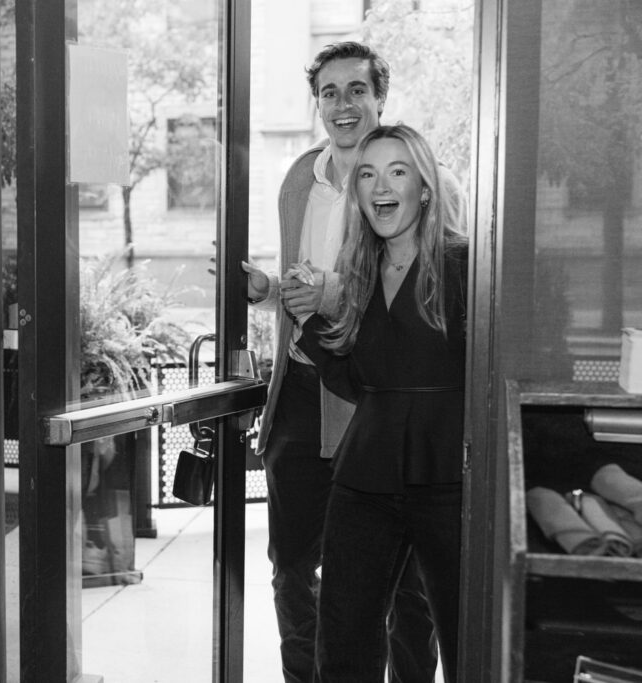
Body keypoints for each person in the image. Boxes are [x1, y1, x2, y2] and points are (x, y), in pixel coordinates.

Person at [244, 42, 464, 683]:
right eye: (329, 93)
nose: (343, 104)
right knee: (297, 566)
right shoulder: (298, 182)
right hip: (311, 382)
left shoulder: (438, 205)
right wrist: (279, 298)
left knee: (410, 589)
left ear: (379, 98)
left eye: (356, 90)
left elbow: (420, 313)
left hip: (392, 406)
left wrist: (333, 299)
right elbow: (321, 299)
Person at [297, 124, 469, 682]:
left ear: (425, 187)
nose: (380, 186)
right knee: (343, 637)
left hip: (450, 477)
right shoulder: (359, 272)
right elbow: (356, 380)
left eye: (398, 171)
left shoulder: (468, 266)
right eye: (367, 174)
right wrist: (308, 321)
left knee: (466, 635)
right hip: (364, 476)